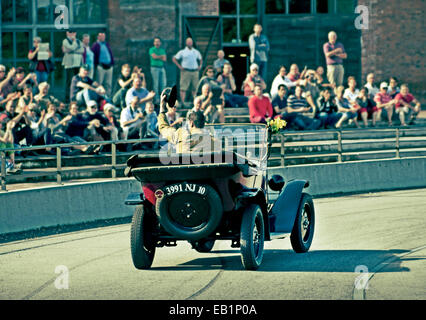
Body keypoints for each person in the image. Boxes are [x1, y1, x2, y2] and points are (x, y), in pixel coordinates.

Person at [172, 37, 203, 106]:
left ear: (192, 43)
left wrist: (200, 65)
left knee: (195, 88)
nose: (189, 43)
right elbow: (174, 58)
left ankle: (195, 102)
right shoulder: (182, 52)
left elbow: (200, 58)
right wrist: (179, 66)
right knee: (183, 88)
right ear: (186, 43)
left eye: (190, 42)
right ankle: (183, 103)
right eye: (188, 42)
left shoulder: (196, 51)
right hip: (185, 71)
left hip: (195, 72)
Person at [62, 30, 84, 102]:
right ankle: (68, 98)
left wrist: (71, 50)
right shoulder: (65, 41)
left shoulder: (78, 41)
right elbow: (71, 48)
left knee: (77, 80)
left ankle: (77, 98)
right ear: (67, 33)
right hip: (69, 65)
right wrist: (74, 45)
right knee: (69, 81)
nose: (72, 34)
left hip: (77, 64)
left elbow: (82, 50)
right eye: (70, 33)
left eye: (73, 33)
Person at [149, 37, 167, 104]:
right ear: (154, 43)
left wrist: (158, 56)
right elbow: (154, 57)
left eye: (158, 41)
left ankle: (163, 99)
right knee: (155, 84)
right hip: (154, 68)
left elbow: (165, 59)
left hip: (162, 68)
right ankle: (156, 100)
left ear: (160, 43)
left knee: (163, 84)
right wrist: (161, 56)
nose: (157, 43)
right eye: (155, 41)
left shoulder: (162, 50)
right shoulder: (151, 49)